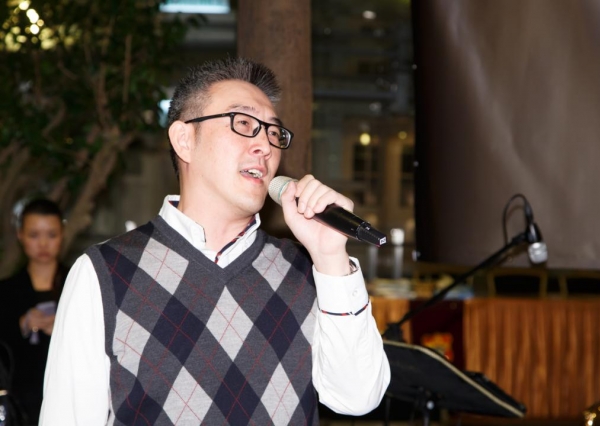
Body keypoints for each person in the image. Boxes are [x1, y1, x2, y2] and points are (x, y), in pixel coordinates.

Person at [40, 57, 390, 425]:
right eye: (243, 124)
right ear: (184, 140)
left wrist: (331, 257)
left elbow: (358, 398)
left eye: (273, 132)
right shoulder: (105, 273)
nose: (265, 145)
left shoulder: (310, 270)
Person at [0, 199, 67, 425]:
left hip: (67, 393)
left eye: (51, 234)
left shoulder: (78, 285)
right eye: (34, 235)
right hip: (19, 403)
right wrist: (21, 324)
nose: (43, 244)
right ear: (20, 235)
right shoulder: (6, 291)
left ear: (62, 234)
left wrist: (64, 329)